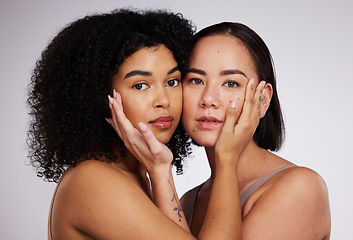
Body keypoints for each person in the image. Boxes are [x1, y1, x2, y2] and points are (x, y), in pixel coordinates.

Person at [27, 9, 265, 239]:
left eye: (172, 81)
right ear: (100, 96)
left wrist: (160, 171)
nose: (164, 101)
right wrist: (226, 159)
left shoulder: (134, 175)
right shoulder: (94, 180)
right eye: (140, 85)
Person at [180, 22, 331, 239]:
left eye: (231, 83)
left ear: (263, 99)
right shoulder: (188, 201)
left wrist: (227, 158)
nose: (209, 99)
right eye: (196, 80)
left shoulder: (300, 189)